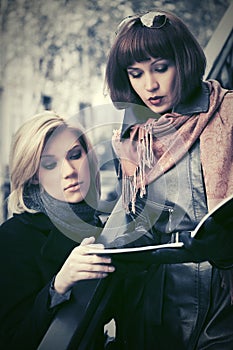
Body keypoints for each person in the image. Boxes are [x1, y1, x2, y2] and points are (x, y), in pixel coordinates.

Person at [103, 9, 233, 350]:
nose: (150, 86)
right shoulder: (133, 137)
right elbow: (132, 220)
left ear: (184, 61)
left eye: (161, 67)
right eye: (136, 73)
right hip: (154, 299)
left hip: (223, 291)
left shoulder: (228, 113)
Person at [0, 111, 116, 350]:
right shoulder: (11, 239)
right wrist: (58, 286)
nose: (70, 171)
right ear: (33, 176)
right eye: (50, 164)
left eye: (75, 155)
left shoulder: (99, 228)